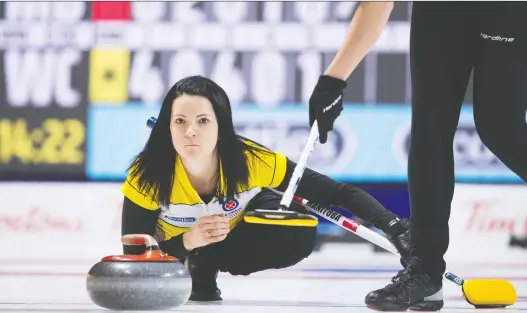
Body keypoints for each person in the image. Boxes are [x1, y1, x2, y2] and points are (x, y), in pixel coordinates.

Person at [308, 1, 527, 311]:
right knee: (429, 130)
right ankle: (424, 274)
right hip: (440, 11)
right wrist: (333, 81)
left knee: (500, 127)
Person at [120, 75, 411, 302]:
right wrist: (188, 242)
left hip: (233, 233)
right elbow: (135, 260)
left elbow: (336, 193)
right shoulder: (147, 175)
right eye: (180, 121)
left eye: (203, 121)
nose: (191, 132)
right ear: (167, 127)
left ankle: (205, 263)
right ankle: (198, 259)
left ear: (221, 125)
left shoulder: (251, 161)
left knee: (298, 232)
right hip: (174, 249)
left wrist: (393, 224)